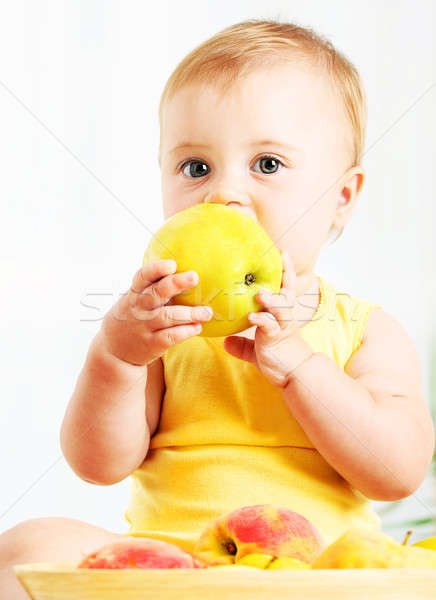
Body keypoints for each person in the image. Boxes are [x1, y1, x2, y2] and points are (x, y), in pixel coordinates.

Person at [1, 19, 434, 597]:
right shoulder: (164, 329)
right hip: (177, 570)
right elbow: (97, 464)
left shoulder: (365, 331)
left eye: (268, 165)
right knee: (29, 545)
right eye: (196, 168)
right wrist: (119, 358)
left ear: (341, 199)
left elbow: (397, 472)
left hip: (316, 575)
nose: (223, 194)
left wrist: (298, 363)